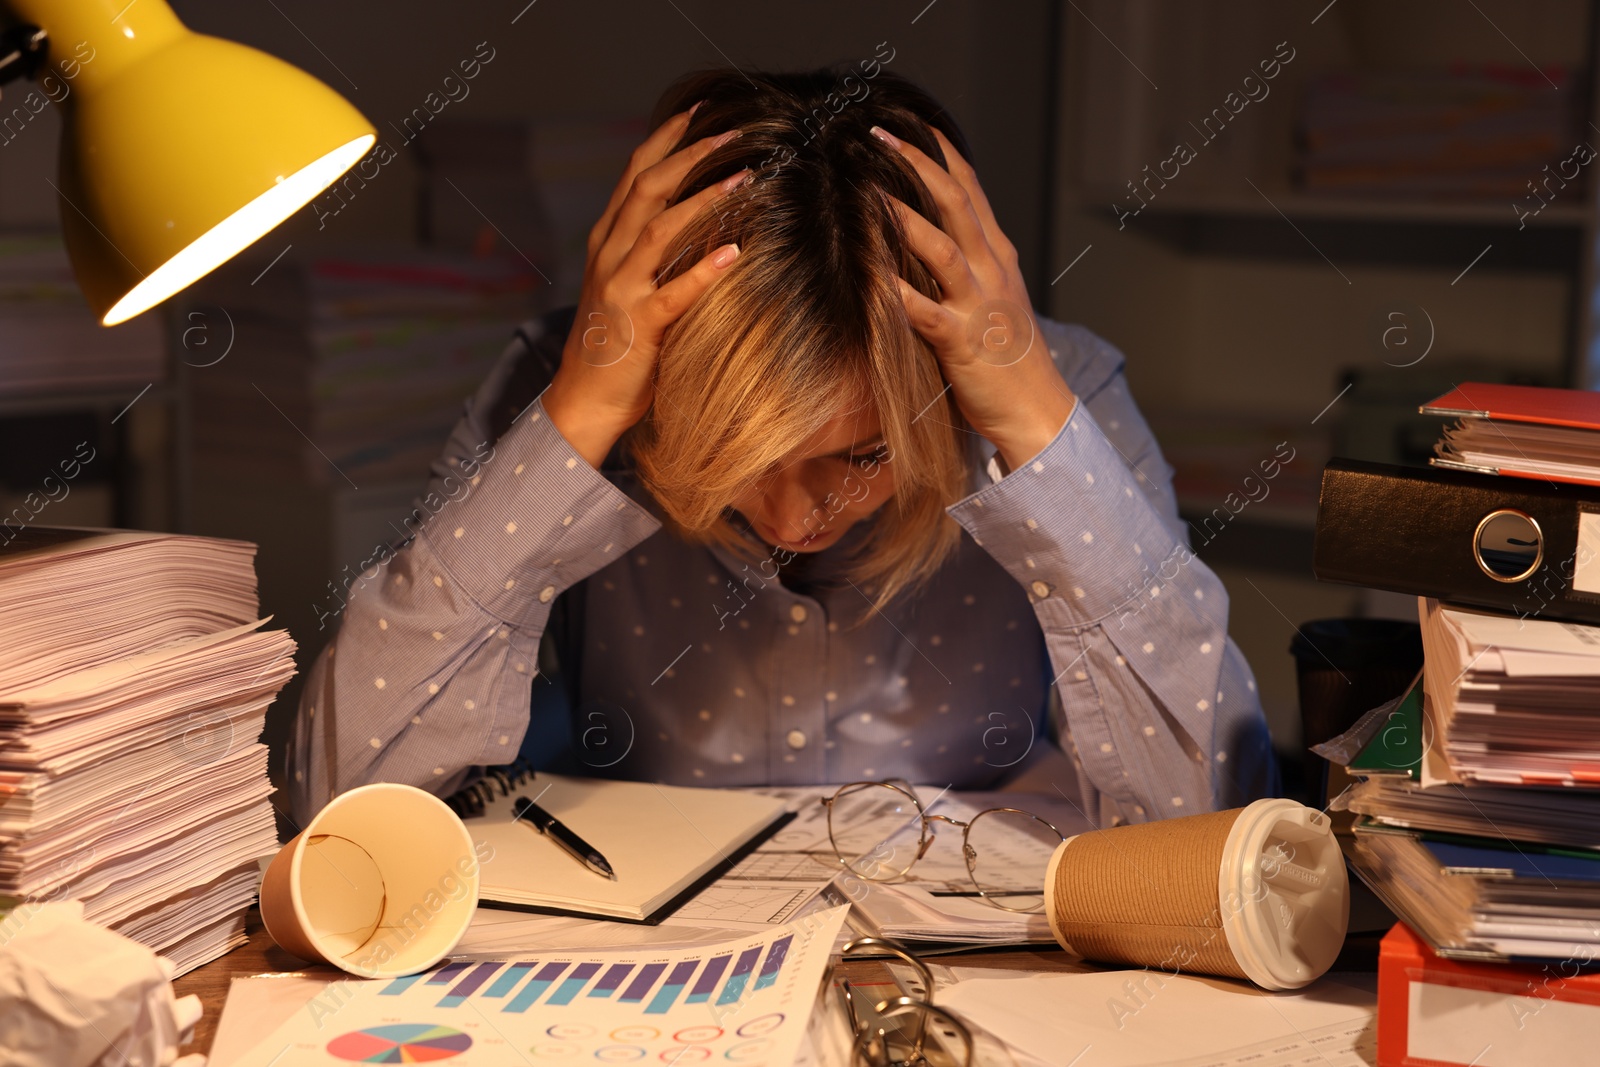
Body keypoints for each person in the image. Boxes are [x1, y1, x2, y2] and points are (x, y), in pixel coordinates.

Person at [285, 65, 1278, 829]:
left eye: (860, 454)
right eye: (733, 452)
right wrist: (573, 423)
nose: (790, 519)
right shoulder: (565, 389)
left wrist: (1038, 435)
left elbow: (1218, 824)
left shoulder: (1057, 392)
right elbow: (336, 809)